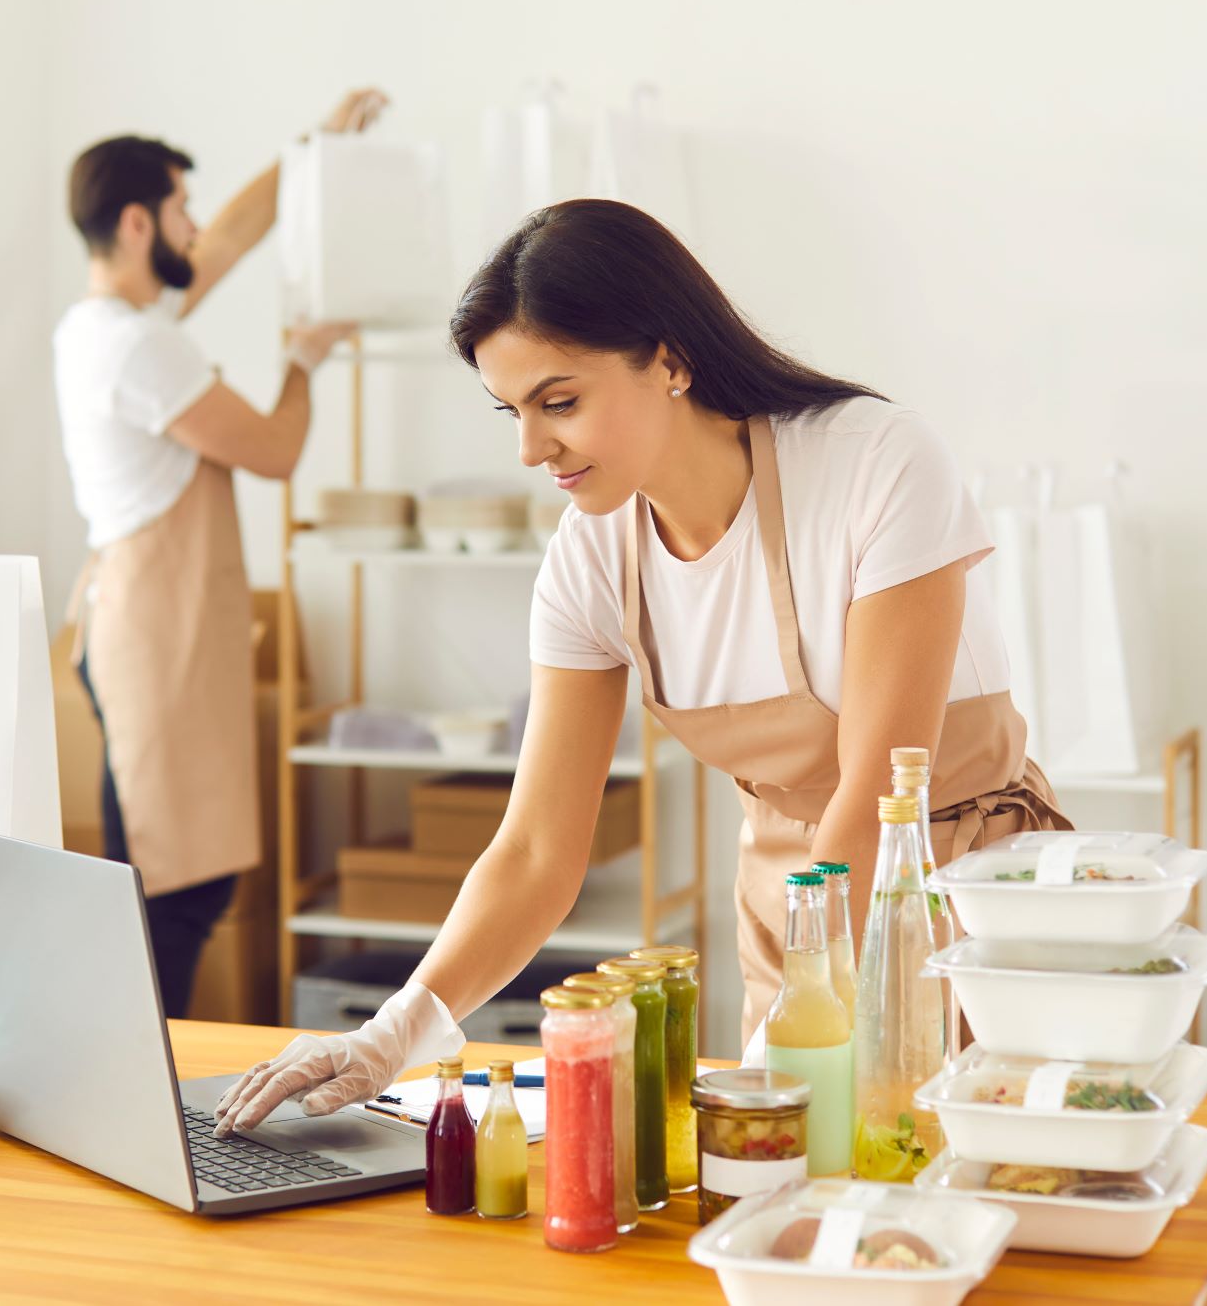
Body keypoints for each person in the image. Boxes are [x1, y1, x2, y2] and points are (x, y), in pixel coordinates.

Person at [216, 198, 1072, 1134]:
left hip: (946, 895)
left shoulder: (874, 465)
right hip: (794, 913)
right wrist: (393, 1032)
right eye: (513, 411)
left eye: (560, 402)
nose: (529, 448)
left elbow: (877, 800)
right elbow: (538, 849)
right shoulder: (591, 561)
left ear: (669, 360)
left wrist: (794, 1040)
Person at [52, 90, 383, 1018]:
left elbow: (226, 241)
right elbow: (275, 452)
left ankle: (139, 1095)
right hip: (156, 632)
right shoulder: (137, 349)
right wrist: (302, 362)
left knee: (162, 881)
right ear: (135, 220)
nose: (193, 227)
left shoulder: (100, 329)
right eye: (177, 208)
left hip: (139, 618)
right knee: (175, 888)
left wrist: (310, 153)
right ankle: (148, 1100)